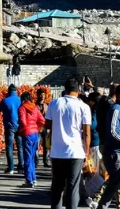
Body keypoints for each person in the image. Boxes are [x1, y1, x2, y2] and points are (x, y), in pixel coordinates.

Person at [45, 77, 91, 209]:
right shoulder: (84, 107)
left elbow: (47, 126)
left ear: (65, 89)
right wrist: (87, 153)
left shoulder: (54, 103)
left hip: (57, 152)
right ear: (79, 90)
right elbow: (86, 133)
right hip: (75, 152)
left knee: (57, 186)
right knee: (72, 187)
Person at [17, 91, 45, 188]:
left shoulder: (22, 108)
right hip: (35, 134)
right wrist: (36, 127)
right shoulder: (35, 107)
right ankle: (33, 179)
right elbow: (42, 120)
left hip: (27, 134)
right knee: (32, 157)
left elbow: (23, 121)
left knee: (27, 157)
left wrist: (21, 129)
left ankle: (29, 180)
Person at [0, 84, 21, 175]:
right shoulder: (20, 100)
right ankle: (21, 167)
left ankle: (11, 168)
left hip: (9, 126)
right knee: (20, 147)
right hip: (19, 126)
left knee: (9, 147)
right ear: (16, 91)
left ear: (8, 91)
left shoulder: (5, 100)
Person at [36, 88, 50, 168]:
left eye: (43, 95)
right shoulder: (35, 106)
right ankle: (36, 161)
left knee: (46, 146)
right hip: (37, 128)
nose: (42, 97)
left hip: (45, 128)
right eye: (40, 95)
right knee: (36, 146)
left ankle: (46, 161)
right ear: (37, 95)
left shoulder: (47, 105)